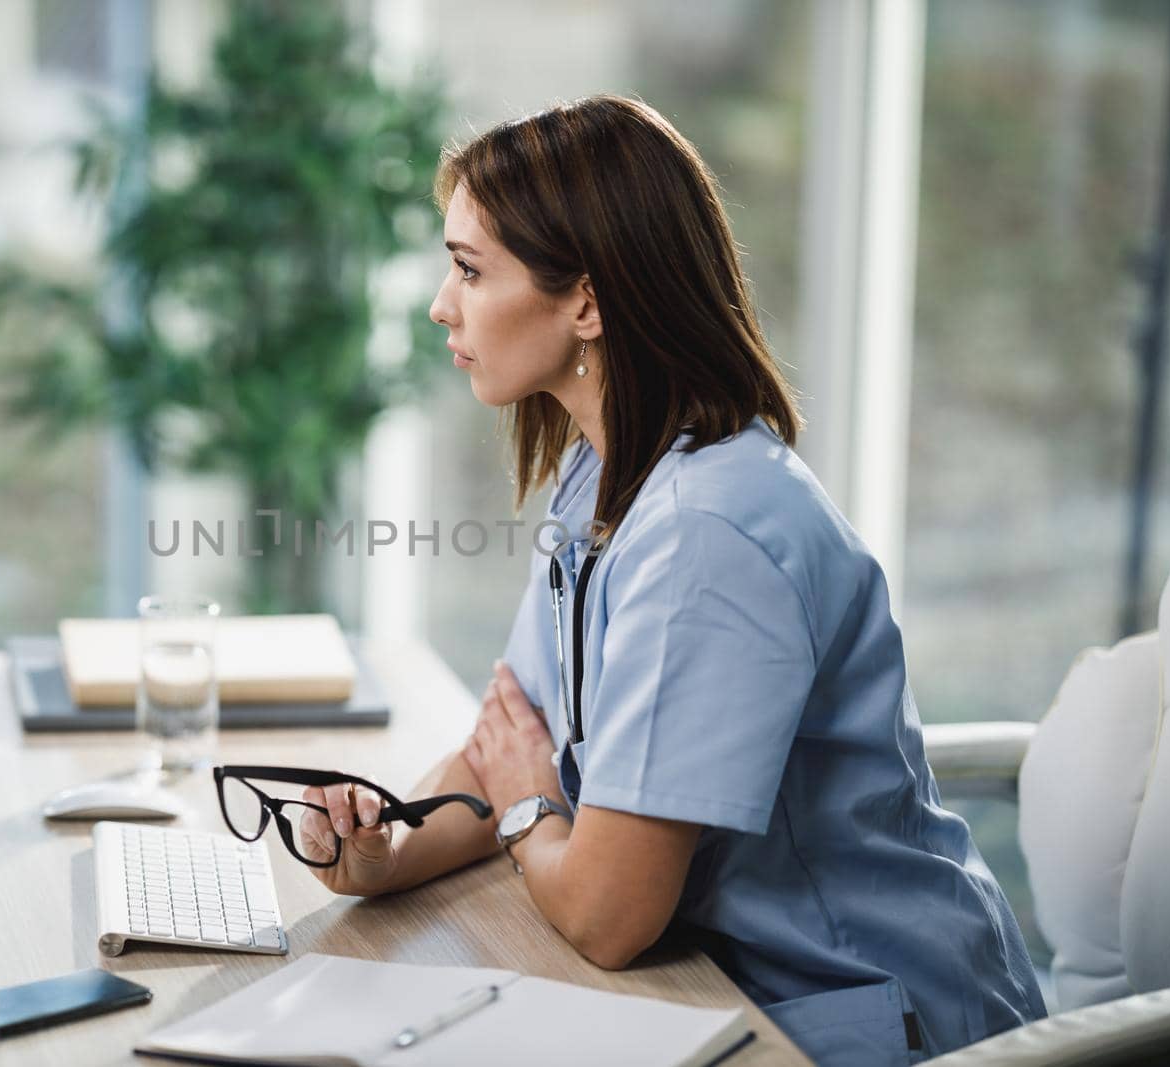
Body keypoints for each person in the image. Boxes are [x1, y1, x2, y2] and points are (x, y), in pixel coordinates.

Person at [297, 95, 1046, 1066]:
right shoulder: (605, 474)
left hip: (858, 1020)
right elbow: (504, 747)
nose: (443, 303)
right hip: (716, 990)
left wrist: (531, 805)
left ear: (589, 302)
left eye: (471, 270)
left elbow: (608, 913)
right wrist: (386, 846)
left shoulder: (712, 536)